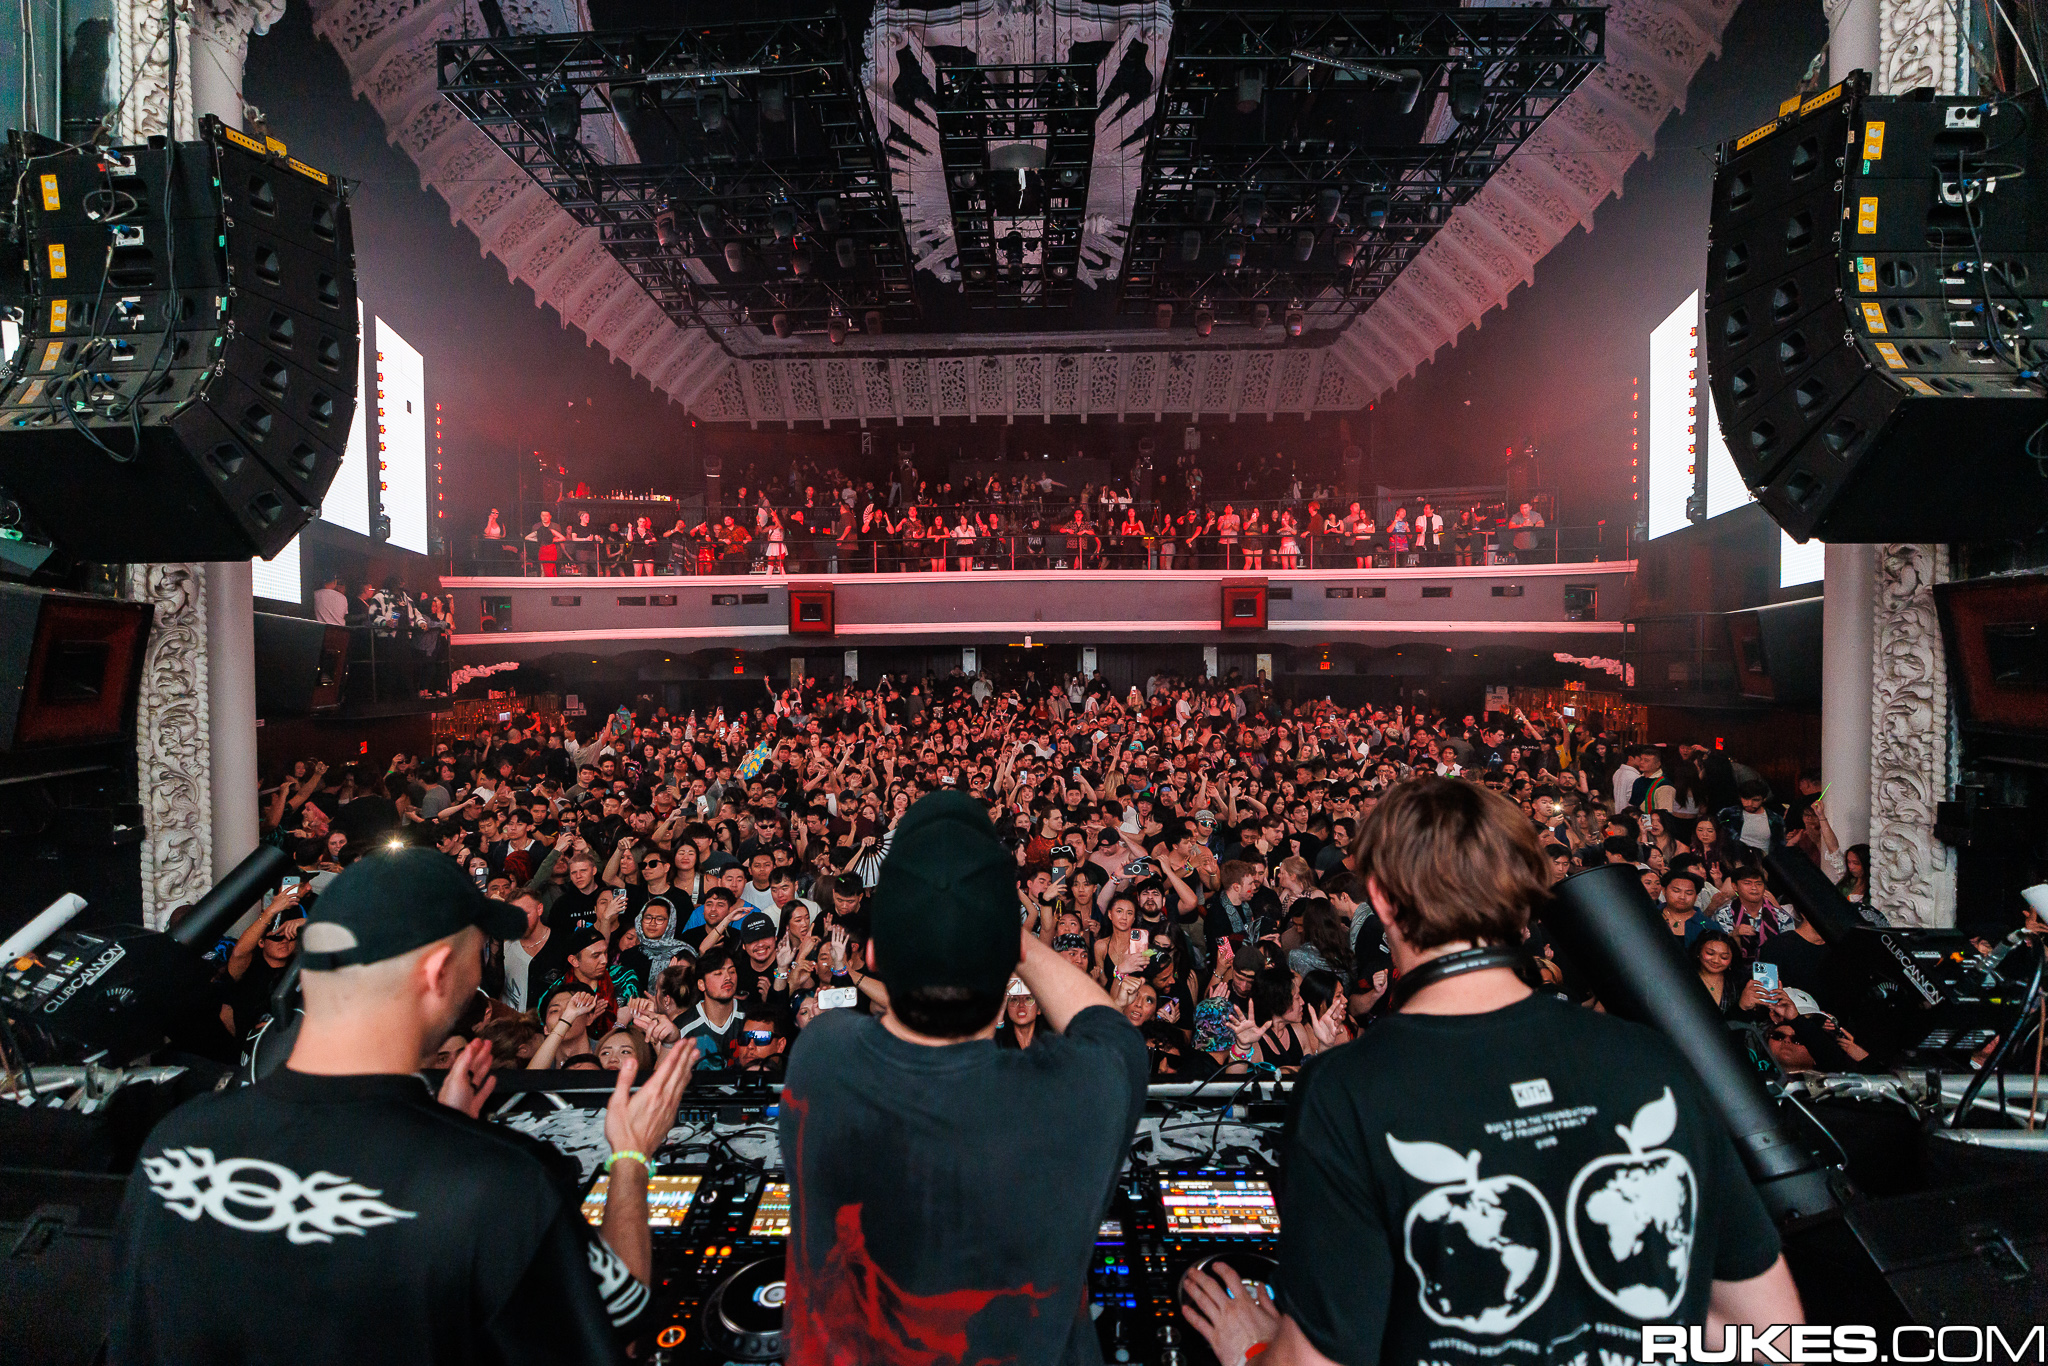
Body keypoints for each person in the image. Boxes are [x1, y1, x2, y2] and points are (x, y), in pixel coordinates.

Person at [1180, 777, 1799, 1366]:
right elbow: (1772, 1335)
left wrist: (1252, 1349)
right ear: (1522, 900)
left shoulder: (1347, 1089)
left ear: (1383, 900)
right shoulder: (1650, 1061)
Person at [108, 848, 698, 1363]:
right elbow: (619, 1327)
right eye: (478, 951)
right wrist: (631, 1157)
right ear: (437, 973)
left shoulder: (174, 1146)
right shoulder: (500, 1188)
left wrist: (443, 1128)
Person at [780, 791, 1148, 1364]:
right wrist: (1007, 934)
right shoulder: (1083, 1092)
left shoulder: (822, 1056)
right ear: (1008, 963)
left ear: (873, 957)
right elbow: (1108, 1027)